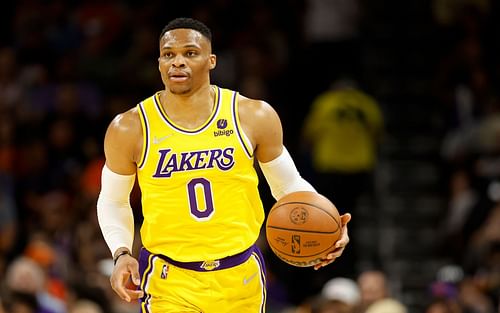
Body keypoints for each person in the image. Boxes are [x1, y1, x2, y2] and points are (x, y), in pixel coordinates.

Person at [96, 17, 351, 312]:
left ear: (211, 60)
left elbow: (289, 185)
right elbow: (113, 199)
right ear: (159, 62)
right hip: (170, 280)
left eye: (190, 53)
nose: (177, 62)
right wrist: (121, 253)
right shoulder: (130, 127)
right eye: (169, 54)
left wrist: (327, 221)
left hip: (241, 274)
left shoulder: (253, 115)